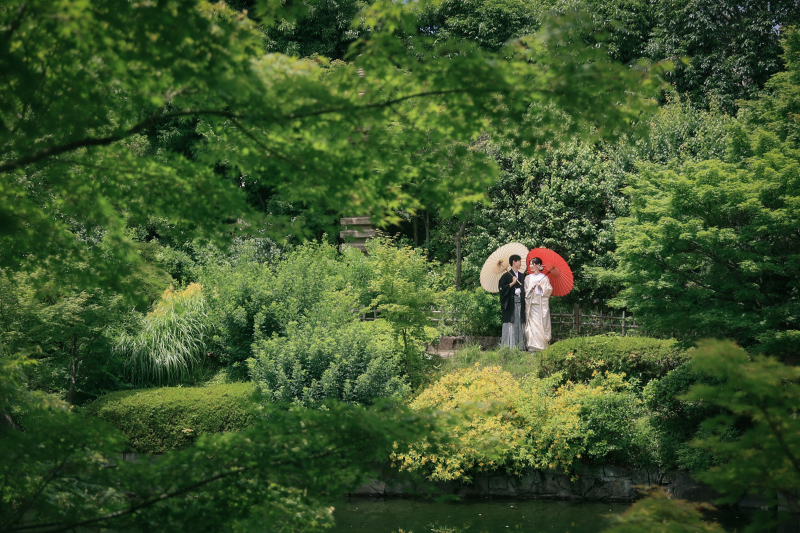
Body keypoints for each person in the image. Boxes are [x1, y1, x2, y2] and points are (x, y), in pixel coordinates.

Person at [524, 257, 552, 352]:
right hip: (532, 305)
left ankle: (542, 345)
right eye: (530, 264)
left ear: (537, 265)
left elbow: (549, 290)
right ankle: (532, 346)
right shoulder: (528, 278)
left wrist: (541, 286)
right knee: (532, 325)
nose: (530, 266)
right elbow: (525, 291)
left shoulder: (544, 277)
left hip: (541, 305)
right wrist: (531, 288)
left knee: (541, 323)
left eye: (532, 264)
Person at [499, 254, 526, 350]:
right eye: (519, 261)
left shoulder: (522, 276)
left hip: (520, 303)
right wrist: (512, 284)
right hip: (511, 304)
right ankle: (510, 346)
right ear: (514, 262)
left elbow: (525, 289)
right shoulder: (506, 276)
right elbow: (501, 289)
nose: (520, 264)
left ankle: (521, 346)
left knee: (520, 322)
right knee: (511, 322)